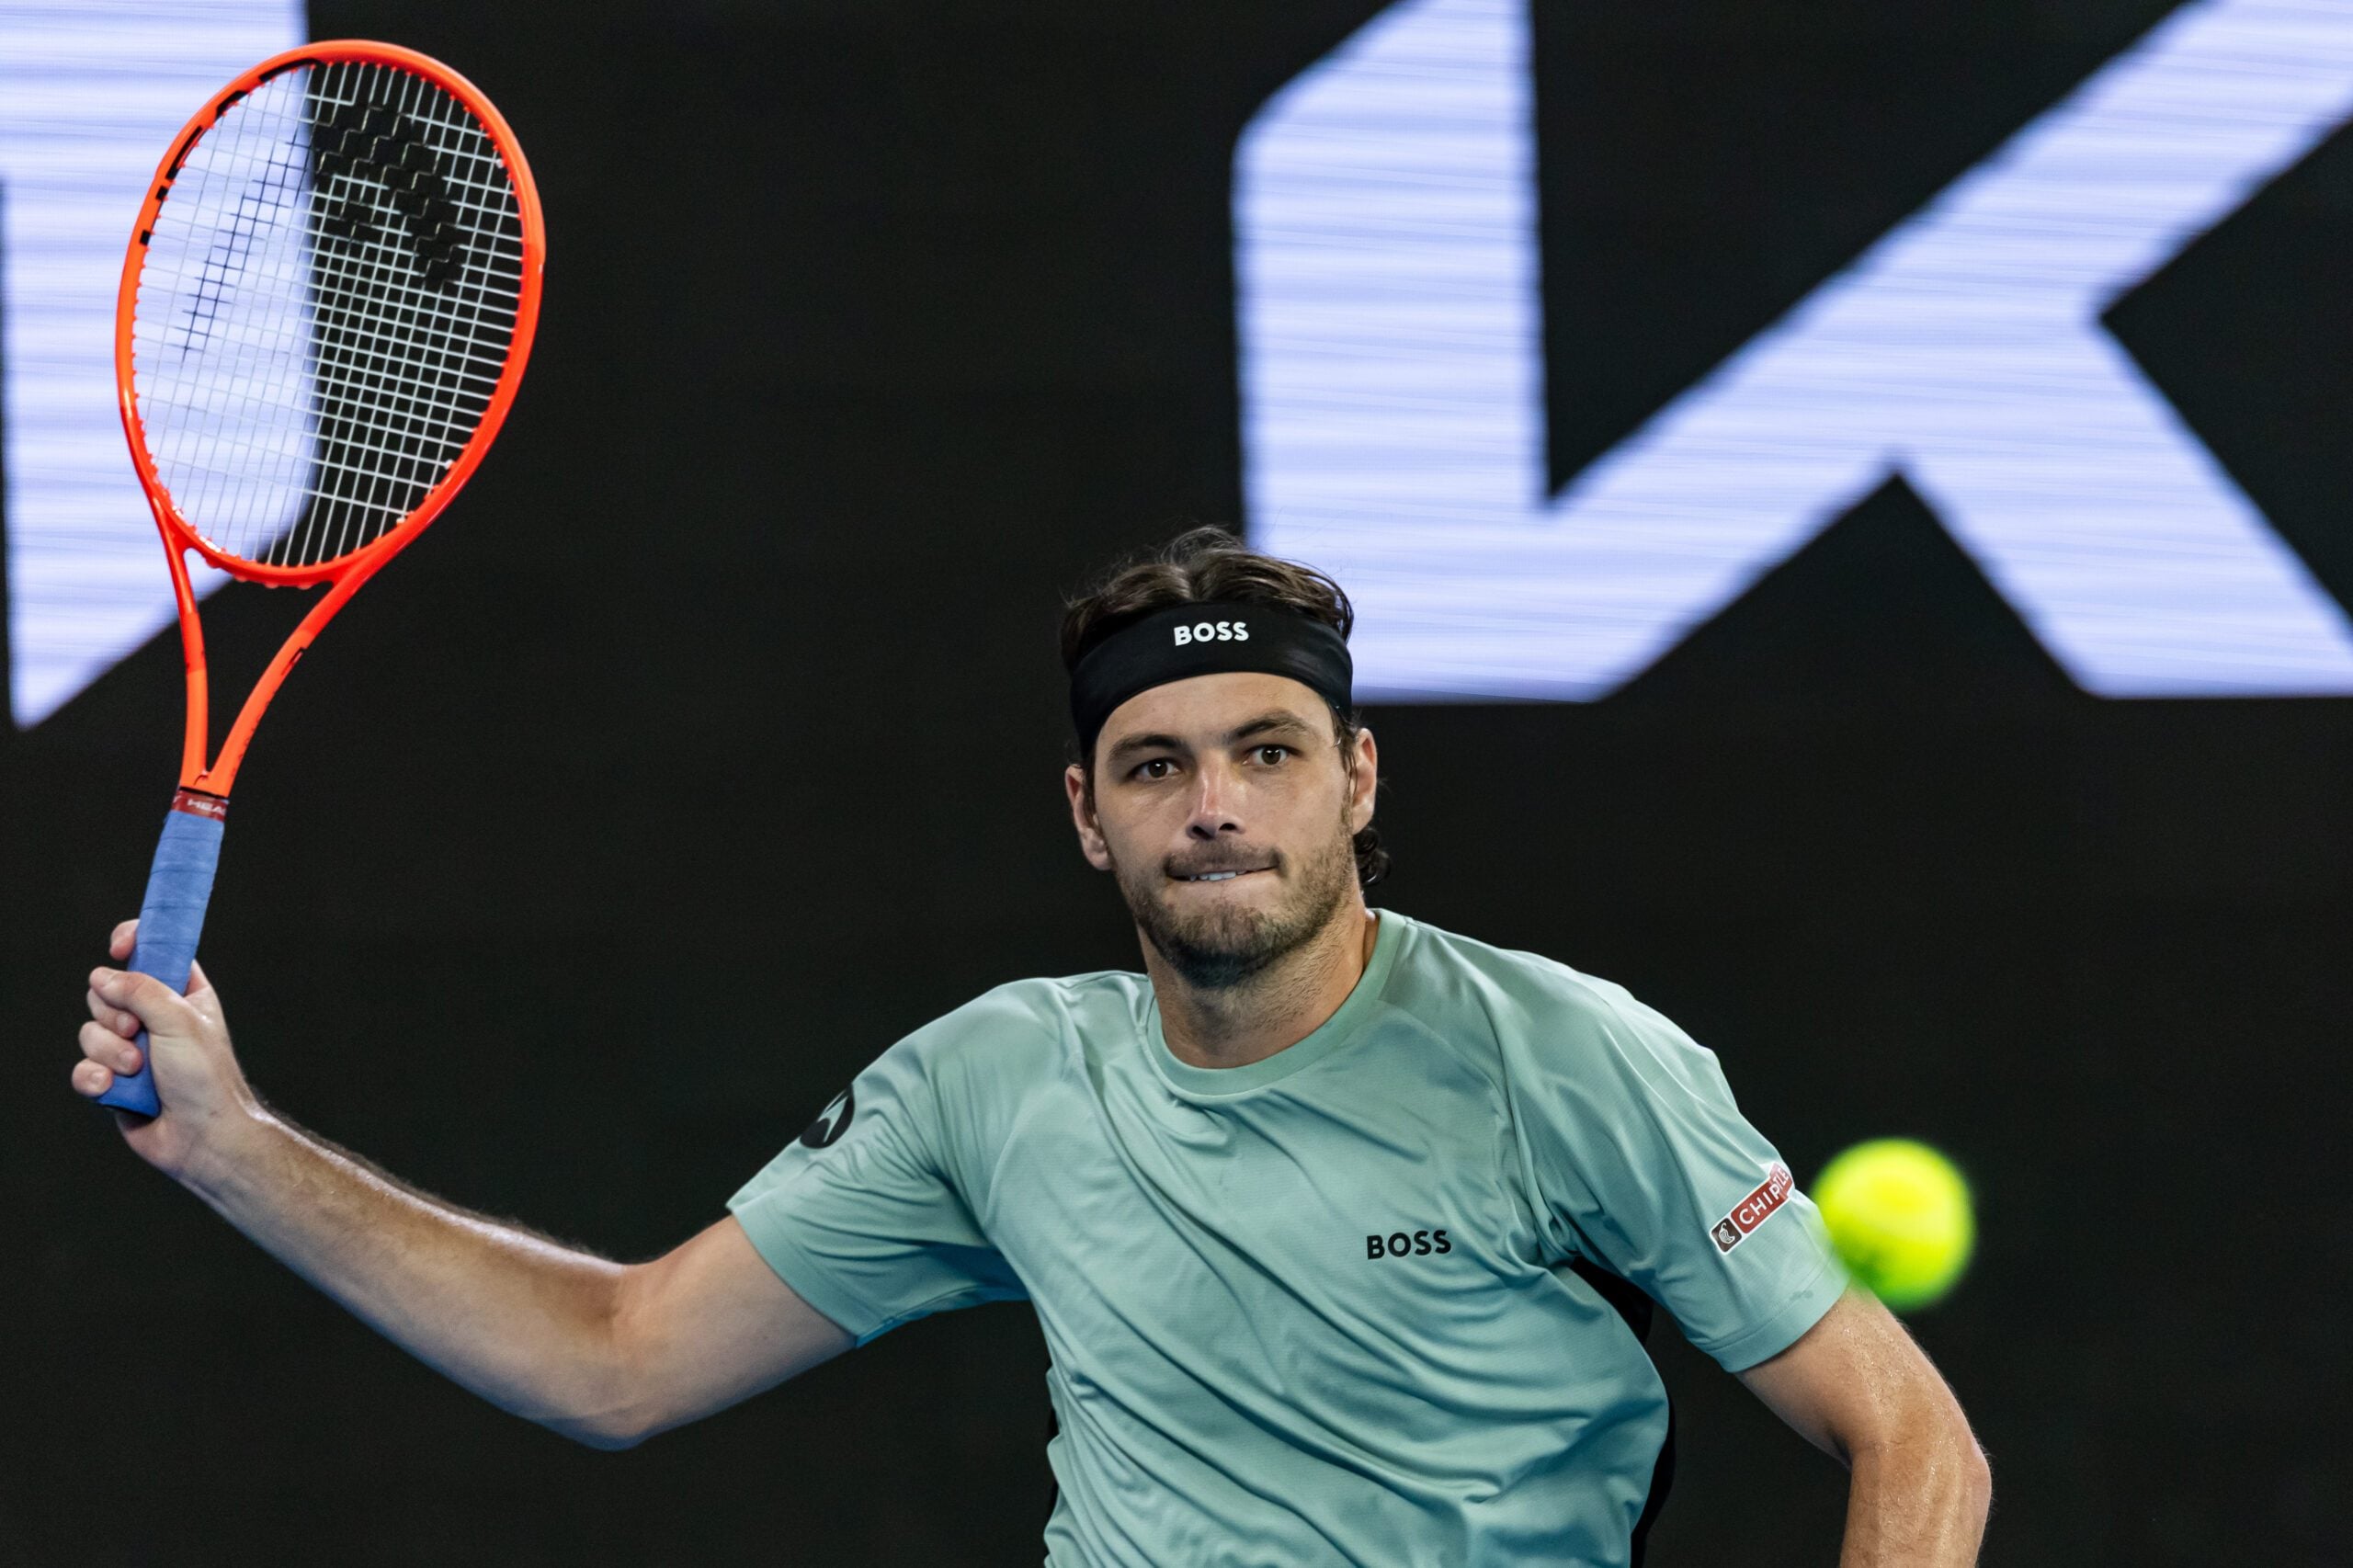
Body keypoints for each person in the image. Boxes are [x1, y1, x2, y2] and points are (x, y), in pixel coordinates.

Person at [73, 528, 1991, 1565]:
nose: (1212, 805)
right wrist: (236, 1146)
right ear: (1088, 815)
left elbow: (1911, 1439)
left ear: (1355, 779)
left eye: (1266, 753)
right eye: (1154, 766)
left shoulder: (1563, 1058)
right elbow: (619, 1357)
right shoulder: (996, 1084)